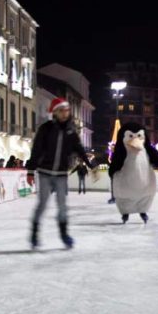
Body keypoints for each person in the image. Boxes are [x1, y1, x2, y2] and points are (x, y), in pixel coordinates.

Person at [26, 97, 99, 249]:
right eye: (62, 110)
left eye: (67, 110)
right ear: (55, 112)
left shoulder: (71, 130)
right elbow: (37, 149)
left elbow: (79, 149)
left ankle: (64, 234)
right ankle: (34, 234)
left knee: (62, 206)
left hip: (60, 175)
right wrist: (30, 171)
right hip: (45, 172)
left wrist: (90, 166)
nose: (65, 113)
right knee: (42, 204)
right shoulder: (46, 128)